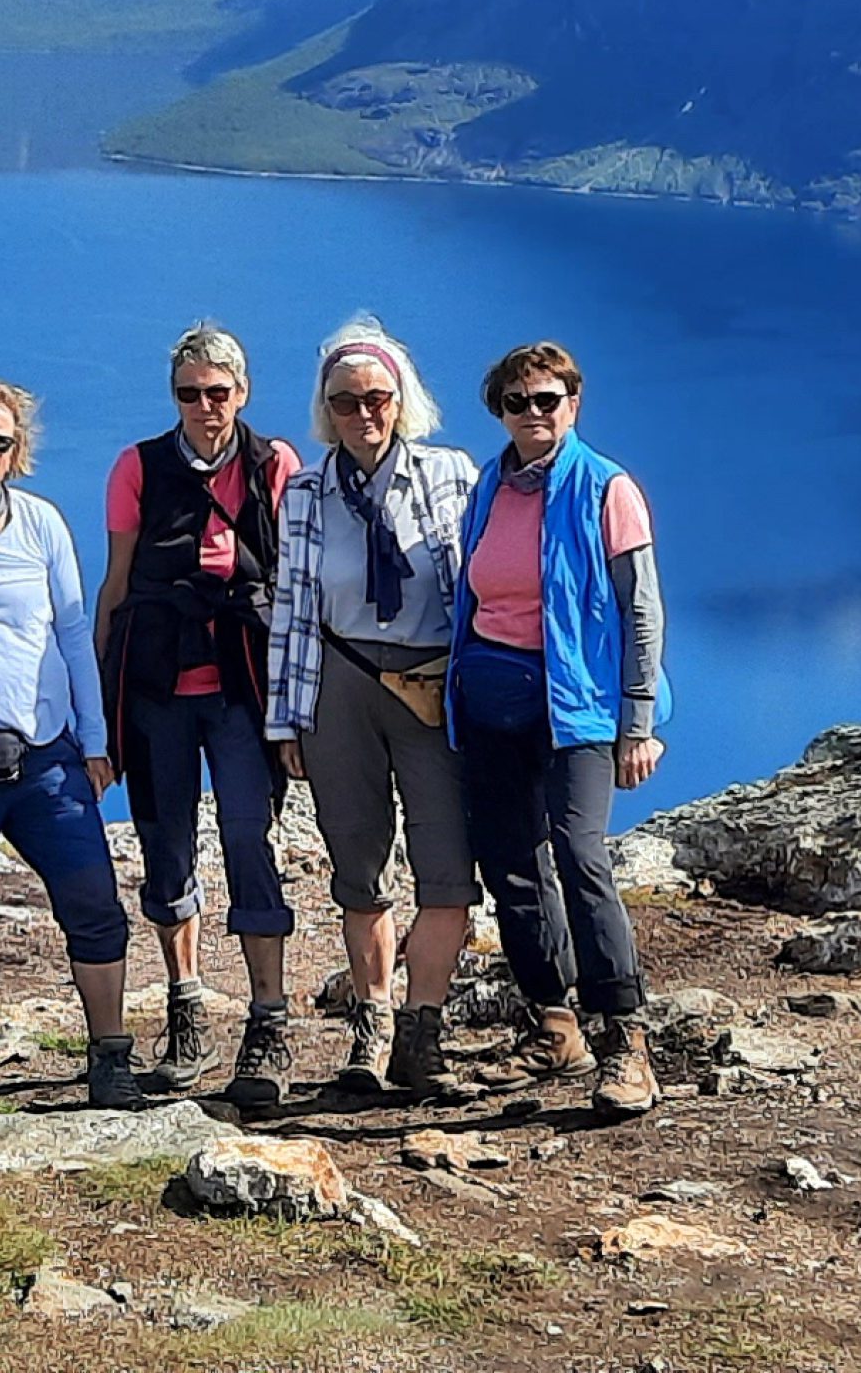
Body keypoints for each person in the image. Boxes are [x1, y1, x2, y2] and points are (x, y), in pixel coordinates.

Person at [263, 316, 479, 1098]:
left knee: (447, 867)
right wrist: (287, 719)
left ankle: (423, 1032)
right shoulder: (307, 492)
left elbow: (483, 591)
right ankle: (372, 1026)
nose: (364, 414)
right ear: (327, 408)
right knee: (357, 863)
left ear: (402, 400)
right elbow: (292, 608)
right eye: (346, 401)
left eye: (377, 398)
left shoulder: (452, 476)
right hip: (342, 685)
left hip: (432, 685)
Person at [453, 340, 668, 1120]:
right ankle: (552, 1024)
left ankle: (627, 1040)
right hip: (491, 701)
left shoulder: (607, 488)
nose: (534, 414)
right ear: (501, 411)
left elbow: (641, 611)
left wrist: (636, 721)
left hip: (577, 708)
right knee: (509, 863)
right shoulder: (490, 485)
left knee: (579, 855)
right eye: (519, 402)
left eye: (549, 399)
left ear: (574, 404)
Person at [0, 379, 140, 1112]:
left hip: (46, 757)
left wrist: (96, 739)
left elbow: (74, 633)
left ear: (17, 454)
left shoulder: (40, 524)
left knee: (94, 902)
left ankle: (109, 1056)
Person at [94, 321, 299, 1111]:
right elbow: (116, 587)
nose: (206, 407)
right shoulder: (137, 468)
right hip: (158, 690)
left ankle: (269, 1021)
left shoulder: (275, 465)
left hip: (244, 689)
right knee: (166, 843)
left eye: (219, 392)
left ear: (242, 394)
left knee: (251, 835)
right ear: (173, 397)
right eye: (190, 393)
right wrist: (101, 717)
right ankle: (186, 1006)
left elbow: (295, 581)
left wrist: (297, 716)